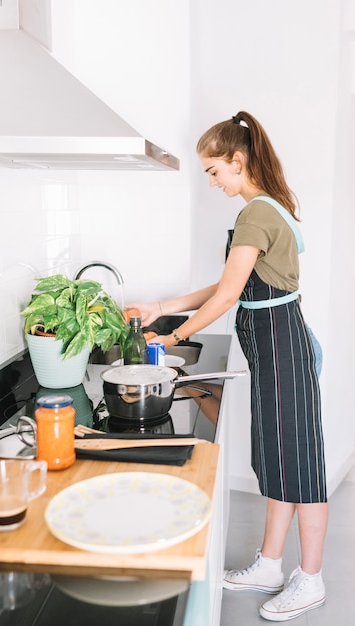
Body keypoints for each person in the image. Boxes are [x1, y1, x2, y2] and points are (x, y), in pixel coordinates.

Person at [127, 111, 327, 622]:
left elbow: (230, 295)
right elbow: (223, 288)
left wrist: (173, 335)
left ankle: (311, 579)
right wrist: (163, 307)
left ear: (238, 161)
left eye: (214, 170)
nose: (212, 181)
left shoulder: (257, 213)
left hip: (281, 346)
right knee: (279, 460)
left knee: (299, 465)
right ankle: (271, 565)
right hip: (273, 346)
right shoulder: (262, 209)